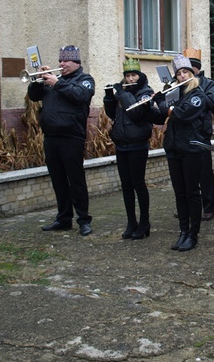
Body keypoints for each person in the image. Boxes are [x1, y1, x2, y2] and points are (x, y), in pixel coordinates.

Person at [29, 45, 95, 236]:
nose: (61, 64)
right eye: (60, 61)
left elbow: (80, 96)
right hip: (51, 137)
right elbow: (34, 97)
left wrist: (57, 83)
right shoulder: (52, 81)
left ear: (76, 63)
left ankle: (84, 220)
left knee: (76, 180)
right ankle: (64, 218)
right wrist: (38, 80)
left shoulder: (85, 80)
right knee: (58, 180)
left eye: (66, 61)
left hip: (71, 137)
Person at [152, 54, 209, 252]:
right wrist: (155, 103)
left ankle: (193, 234)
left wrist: (165, 107)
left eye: (185, 72)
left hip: (192, 149)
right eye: (179, 73)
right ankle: (183, 231)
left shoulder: (198, 95)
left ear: (192, 74)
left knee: (192, 192)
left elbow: (182, 114)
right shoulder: (175, 93)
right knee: (179, 192)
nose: (182, 76)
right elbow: (160, 116)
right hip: (174, 148)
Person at [103, 58, 154, 240]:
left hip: (138, 145)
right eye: (127, 76)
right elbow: (112, 114)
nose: (130, 79)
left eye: (133, 75)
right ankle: (131, 221)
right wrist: (110, 96)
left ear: (139, 76)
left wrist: (122, 93)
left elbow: (136, 111)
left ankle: (145, 222)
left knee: (138, 184)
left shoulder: (145, 92)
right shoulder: (121, 93)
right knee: (126, 186)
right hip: (122, 144)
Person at [184, 48, 214, 222]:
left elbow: (213, 103)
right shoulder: (180, 84)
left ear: (196, 69)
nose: (185, 72)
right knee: (187, 174)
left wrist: (197, 92)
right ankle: (189, 206)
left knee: (205, 173)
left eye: (189, 68)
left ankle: (209, 207)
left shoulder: (209, 84)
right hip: (184, 132)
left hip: (201, 132)